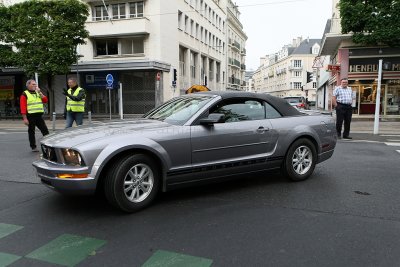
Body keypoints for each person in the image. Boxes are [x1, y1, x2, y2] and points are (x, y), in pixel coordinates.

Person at [20, 79, 49, 152]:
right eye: (33, 84)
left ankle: (48, 145)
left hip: (39, 116)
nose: (35, 85)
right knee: (31, 131)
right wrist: (25, 118)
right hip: (30, 116)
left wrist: (40, 92)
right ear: (28, 85)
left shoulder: (37, 92)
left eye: (35, 84)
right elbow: (23, 107)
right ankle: (33, 147)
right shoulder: (24, 94)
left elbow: (45, 100)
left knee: (45, 130)